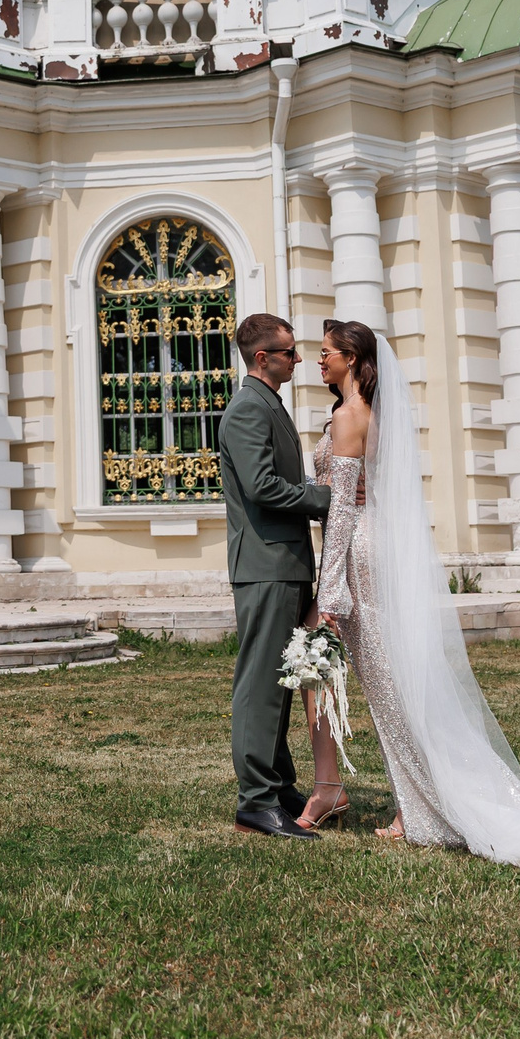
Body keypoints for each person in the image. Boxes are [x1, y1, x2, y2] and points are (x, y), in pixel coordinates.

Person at [298, 318, 520, 882]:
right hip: (377, 546)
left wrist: (332, 592)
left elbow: (344, 510)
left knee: (389, 686)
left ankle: (423, 810)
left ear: (351, 357)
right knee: (393, 683)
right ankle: (414, 804)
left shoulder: (348, 417)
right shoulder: (371, 413)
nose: (318, 362)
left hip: (359, 555)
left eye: (325, 353)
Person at [216, 311, 332, 839]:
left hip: (283, 564)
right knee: (261, 685)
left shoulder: (269, 404)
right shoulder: (247, 407)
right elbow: (262, 487)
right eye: (289, 351)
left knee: (282, 683)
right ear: (263, 358)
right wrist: (324, 500)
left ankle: (280, 787)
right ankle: (255, 802)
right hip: (263, 566)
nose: (299, 358)